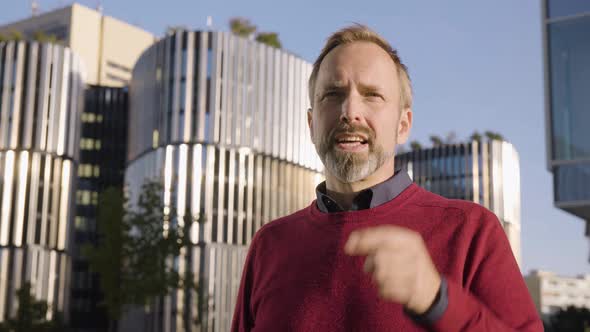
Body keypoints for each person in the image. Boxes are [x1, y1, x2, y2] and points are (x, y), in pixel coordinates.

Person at [231, 24, 542, 331]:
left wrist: (438, 302)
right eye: (333, 94)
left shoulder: (472, 230)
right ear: (311, 123)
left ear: (403, 125)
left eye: (372, 95)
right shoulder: (269, 245)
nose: (350, 111)